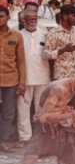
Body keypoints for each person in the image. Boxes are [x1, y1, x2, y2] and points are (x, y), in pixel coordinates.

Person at [17, 8, 49, 147]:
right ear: (23, 20)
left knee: (41, 107)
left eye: (35, 19)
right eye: (29, 19)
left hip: (43, 76)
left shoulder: (45, 34)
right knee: (23, 107)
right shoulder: (18, 35)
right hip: (24, 78)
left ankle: (40, 136)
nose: (32, 21)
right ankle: (25, 137)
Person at [0, 6, 26, 153]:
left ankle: (5, 141)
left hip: (11, 79)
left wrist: (22, 82)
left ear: (8, 17)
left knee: (9, 111)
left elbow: (21, 61)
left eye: (1, 16)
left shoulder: (16, 36)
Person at [44, 5, 75, 80]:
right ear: (65, 16)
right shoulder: (53, 33)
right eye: (74, 16)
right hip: (62, 76)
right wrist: (63, 50)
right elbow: (46, 54)